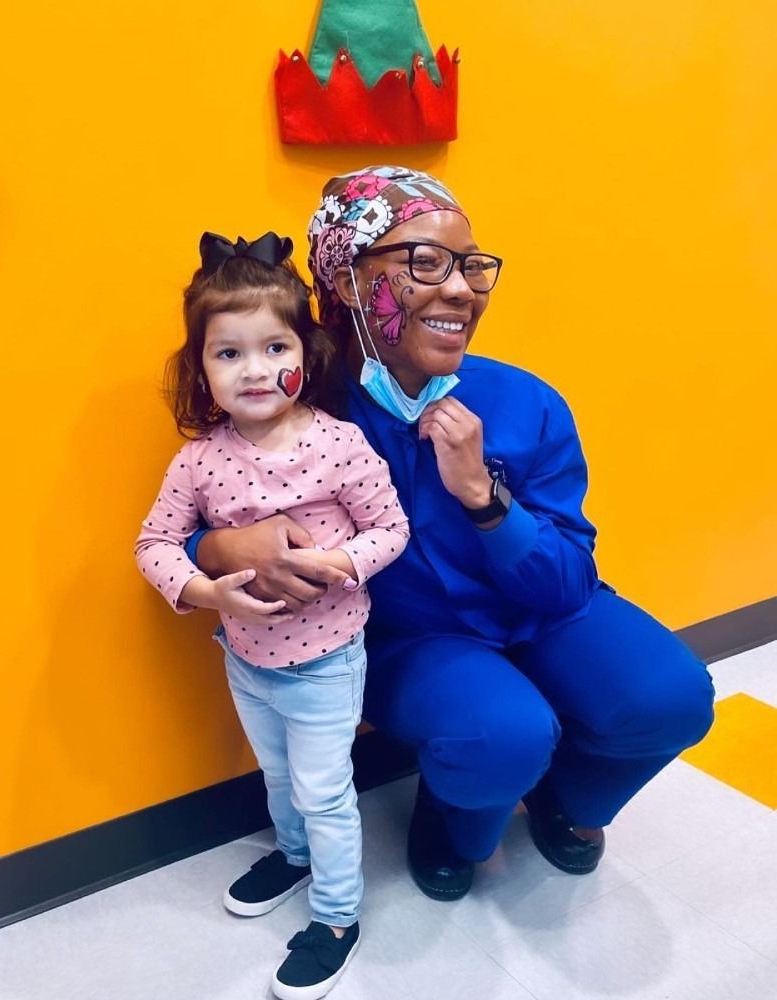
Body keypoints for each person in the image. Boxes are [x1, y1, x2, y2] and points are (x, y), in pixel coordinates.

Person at [189, 166, 715, 907]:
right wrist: (219, 550)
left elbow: (568, 579)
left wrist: (484, 499)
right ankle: (460, 818)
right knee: (501, 737)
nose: (463, 289)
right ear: (345, 281)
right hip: (412, 641)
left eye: (471, 266)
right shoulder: (299, 408)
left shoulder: (524, 402)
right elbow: (190, 515)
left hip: (544, 609)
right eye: (425, 263)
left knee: (673, 696)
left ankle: (570, 800)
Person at [135, 230, 409, 1000]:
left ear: (305, 355)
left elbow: (392, 529)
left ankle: (335, 916)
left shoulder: (341, 445)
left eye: (272, 347)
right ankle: (291, 855)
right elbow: (154, 543)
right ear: (202, 369)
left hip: (327, 659)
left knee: (324, 789)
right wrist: (206, 591)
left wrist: (342, 564)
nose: (253, 370)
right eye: (228, 354)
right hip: (244, 655)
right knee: (278, 774)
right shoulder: (197, 460)